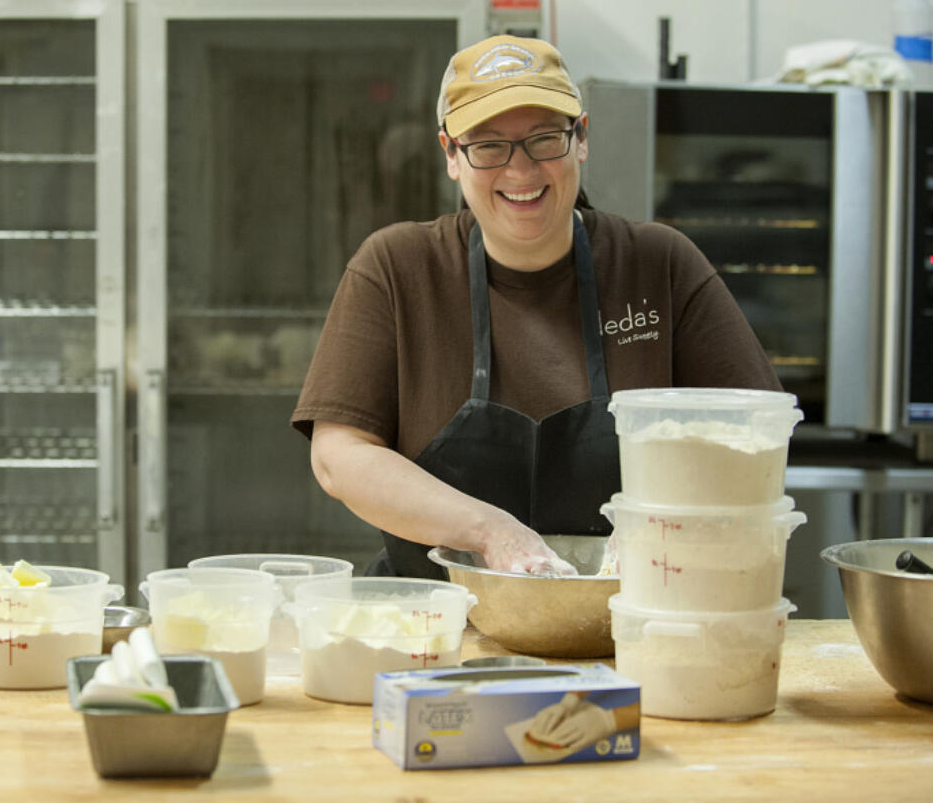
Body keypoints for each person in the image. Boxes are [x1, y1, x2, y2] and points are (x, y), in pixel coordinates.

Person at [290, 35, 780, 578]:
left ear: (581, 139)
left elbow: (754, 437)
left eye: (544, 139)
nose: (520, 172)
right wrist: (490, 531)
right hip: (436, 623)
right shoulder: (398, 268)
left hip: (626, 620)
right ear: (451, 155)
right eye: (488, 145)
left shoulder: (658, 264)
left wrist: (660, 526)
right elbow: (340, 456)